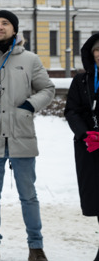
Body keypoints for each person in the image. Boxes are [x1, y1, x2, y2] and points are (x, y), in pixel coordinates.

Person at [0, 10, 55, 261]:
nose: (0, 27)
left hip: (21, 136)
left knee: (28, 195)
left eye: (5, 23)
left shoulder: (30, 59)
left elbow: (48, 89)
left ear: (15, 29)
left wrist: (29, 106)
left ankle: (35, 245)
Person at [65, 33, 99, 261]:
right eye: (97, 50)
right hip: (90, 148)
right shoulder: (81, 80)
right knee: (98, 199)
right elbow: (72, 110)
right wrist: (85, 134)